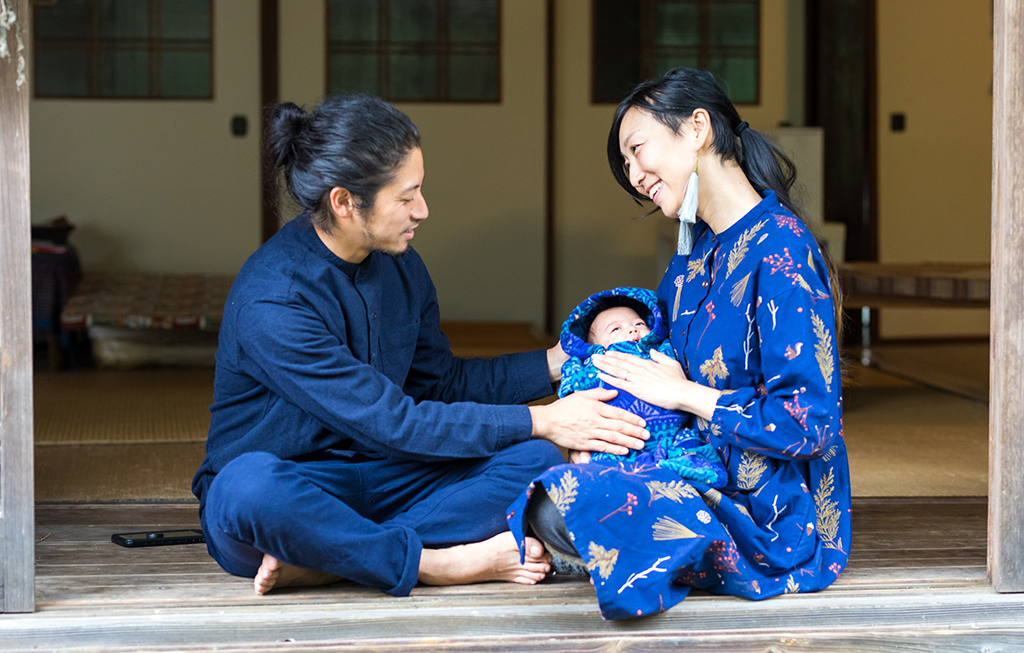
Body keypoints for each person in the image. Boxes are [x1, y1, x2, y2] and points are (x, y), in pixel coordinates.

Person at [192, 94, 650, 598]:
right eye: (406, 196)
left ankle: (330, 558)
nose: (423, 210)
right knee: (246, 490)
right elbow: (390, 421)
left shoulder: (400, 265)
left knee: (534, 459)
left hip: (389, 481)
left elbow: (442, 385)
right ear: (344, 203)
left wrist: (556, 364)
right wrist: (546, 416)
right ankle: (435, 563)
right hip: (299, 485)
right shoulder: (273, 298)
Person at [507, 68, 851, 620]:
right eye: (625, 164)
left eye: (638, 150)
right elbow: (647, 378)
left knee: (565, 504)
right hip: (678, 468)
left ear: (697, 128)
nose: (634, 173)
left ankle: (638, 549)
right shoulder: (688, 264)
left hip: (764, 511)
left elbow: (810, 424)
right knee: (525, 471)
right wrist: (603, 425)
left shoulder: (782, 250)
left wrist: (686, 395)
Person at [555, 286, 726, 485]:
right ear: (594, 345)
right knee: (600, 469)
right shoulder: (597, 361)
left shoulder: (659, 351)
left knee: (692, 450)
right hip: (615, 439)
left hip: (667, 435)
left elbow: (674, 369)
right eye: (615, 329)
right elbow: (572, 385)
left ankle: (670, 471)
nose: (632, 329)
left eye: (639, 323)